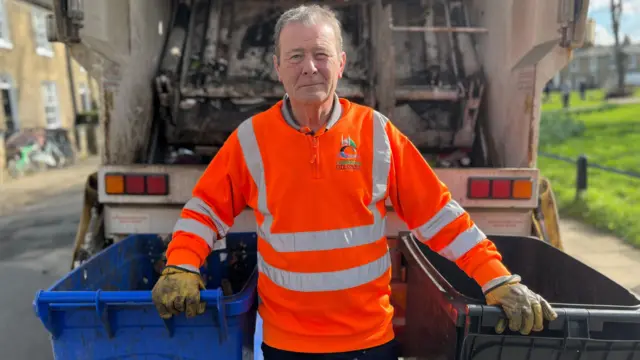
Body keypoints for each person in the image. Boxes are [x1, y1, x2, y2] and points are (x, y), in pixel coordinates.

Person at [151, 4, 558, 359]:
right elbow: (205, 210)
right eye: (295, 56)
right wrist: (182, 264)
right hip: (286, 344)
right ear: (276, 67)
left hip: (369, 342)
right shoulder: (251, 140)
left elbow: (438, 214)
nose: (309, 67)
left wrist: (496, 278)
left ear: (341, 64)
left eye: (320, 54)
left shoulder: (376, 134)